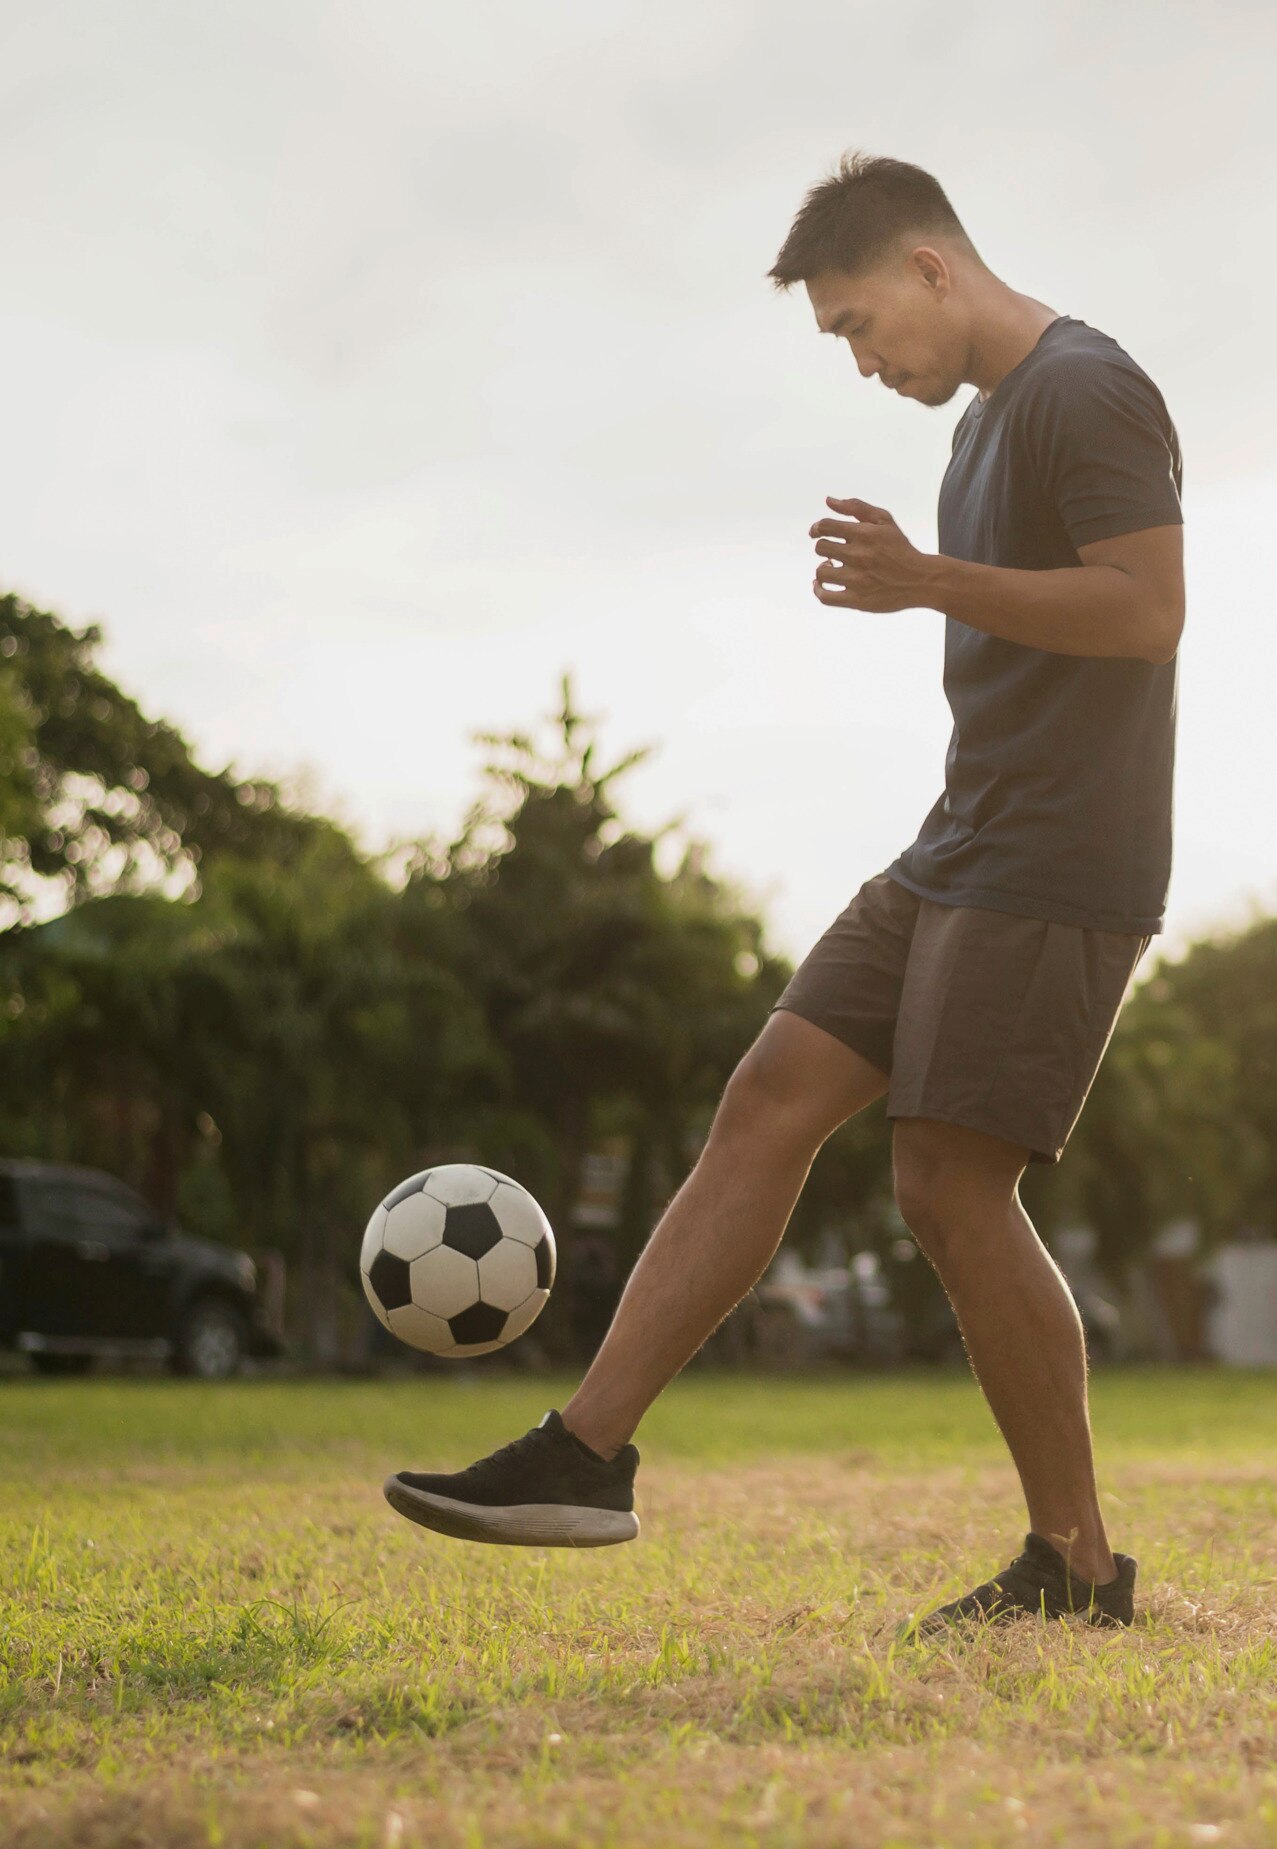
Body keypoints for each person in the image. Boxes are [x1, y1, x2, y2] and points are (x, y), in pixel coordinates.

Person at [381, 153, 1185, 1629]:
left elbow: (1148, 609)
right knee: (769, 1092)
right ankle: (586, 1453)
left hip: (1062, 855)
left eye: (861, 326)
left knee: (949, 1181)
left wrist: (931, 580)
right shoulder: (979, 439)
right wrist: (935, 576)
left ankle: (1075, 1565)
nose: (865, 362)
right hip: (961, 839)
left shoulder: (1087, 389)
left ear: (932, 266)